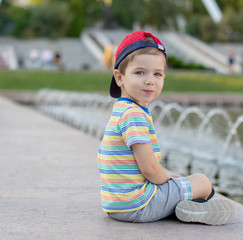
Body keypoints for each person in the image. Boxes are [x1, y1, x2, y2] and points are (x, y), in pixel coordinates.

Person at [97, 31, 234, 225]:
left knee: (177, 180)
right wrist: (169, 183)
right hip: (139, 205)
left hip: (117, 205)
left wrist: (169, 180)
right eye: (140, 72)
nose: (150, 80)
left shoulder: (121, 109)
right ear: (119, 78)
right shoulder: (134, 115)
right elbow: (150, 169)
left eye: (157, 74)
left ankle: (180, 206)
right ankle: (194, 208)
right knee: (202, 182)